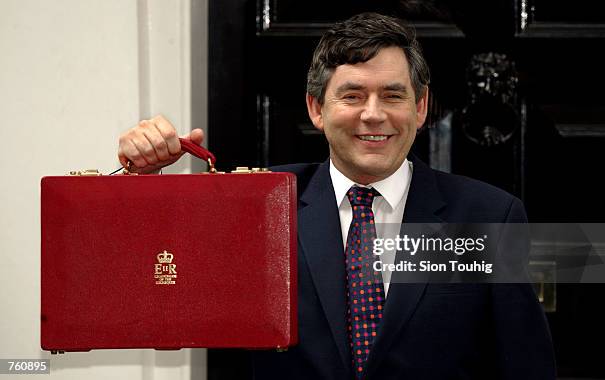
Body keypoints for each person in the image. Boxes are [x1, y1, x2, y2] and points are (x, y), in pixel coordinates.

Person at [118, 12, 555, 380]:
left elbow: (526, 366)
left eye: (392, 95)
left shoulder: (489, 216)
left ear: (420, 108)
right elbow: (156, 293)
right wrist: (147, 183)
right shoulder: (258, 204)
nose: (373, 113)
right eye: (352, 95)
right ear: (316, 109)